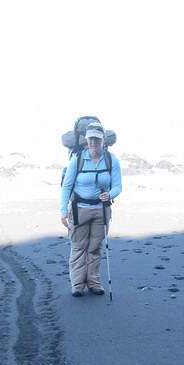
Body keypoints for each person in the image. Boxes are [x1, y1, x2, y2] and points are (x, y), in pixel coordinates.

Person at [60, 122, 122, 297]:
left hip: (101, 211)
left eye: (97, 139)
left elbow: (118, 186)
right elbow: (67, 186)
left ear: (103, 141)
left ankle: (94, 283)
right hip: (79, 209)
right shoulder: (78, 159)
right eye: (91, 139)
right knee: (79, 247)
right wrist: (63, 211)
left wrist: (110, 194)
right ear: (86, 141)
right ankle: (77, 285)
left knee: (95, 247)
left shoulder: (111, 159)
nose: (93, 142)